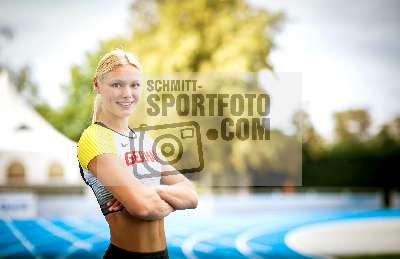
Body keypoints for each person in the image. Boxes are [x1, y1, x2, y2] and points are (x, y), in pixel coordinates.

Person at [77, 49, 198, 259]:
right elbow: (143, 208)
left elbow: (191, 195)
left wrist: (147, 191)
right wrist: (167, 198)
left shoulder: (145, 141)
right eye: (117, 85)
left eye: (134, 85)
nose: (127, 94)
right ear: (97, 84)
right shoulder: (94, 138)